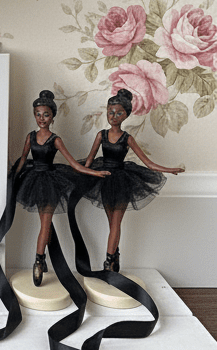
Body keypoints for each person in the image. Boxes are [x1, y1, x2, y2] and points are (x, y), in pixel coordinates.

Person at [79, 88, 184, 272]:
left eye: (119, 113)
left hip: (122, 182)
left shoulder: (127, 138)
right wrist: (78, 170)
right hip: (104, 181)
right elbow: (88, 161)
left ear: (126, 115)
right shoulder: (101, 135)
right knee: (112, 223)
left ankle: (108, 263)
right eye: (110, 112)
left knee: (115, 224)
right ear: (106, 112)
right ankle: (115, 255)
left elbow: (148, 162)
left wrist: (169, 169)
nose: (113, 116)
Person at [12, 90, 108, 286]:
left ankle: (38, 260)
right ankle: (43, 260)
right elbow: (23, 159)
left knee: (45, 225)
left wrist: (94, 173)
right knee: (44, 224)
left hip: (50, 181)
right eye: (38, 114)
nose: (41, 118)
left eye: (46, 114)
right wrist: (13, 176)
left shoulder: (55, 139)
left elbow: (73, 163)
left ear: (53, 116)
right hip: (33, 181)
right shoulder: (30, 137)